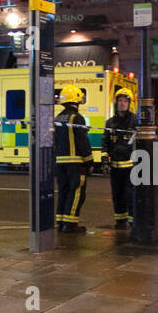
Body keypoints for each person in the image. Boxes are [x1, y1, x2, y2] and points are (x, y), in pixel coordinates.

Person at [55, 84, 93, 233]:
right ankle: (70, 224)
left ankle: (61, 221)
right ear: (76, 99)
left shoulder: (58, 117)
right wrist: (89, 161)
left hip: (60, 163)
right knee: (76, 192)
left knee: (63, 191)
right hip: (75, 163)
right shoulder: (77, 118)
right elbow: (83, 142)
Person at [103, 87, 137, 229]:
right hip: (115, 167)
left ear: (129, 103)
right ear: (116, 102)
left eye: (125, 101)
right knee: (117, 195)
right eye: (120, 101)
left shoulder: (135, 120)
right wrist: (105, 161)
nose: (122, 103)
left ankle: (132, 221)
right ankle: (120, 221)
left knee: (130, 195)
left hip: (130, 166)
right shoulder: (110, 123)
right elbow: (105, 142)